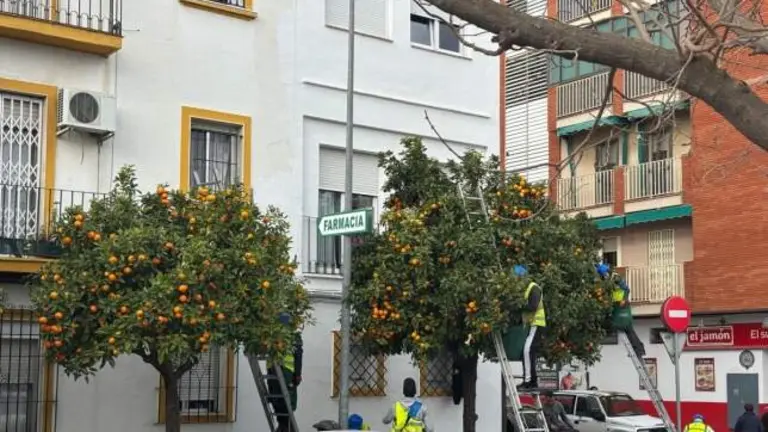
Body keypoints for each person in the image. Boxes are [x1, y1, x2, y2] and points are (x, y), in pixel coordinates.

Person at [596, 263, 645, 358]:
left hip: (622, 305)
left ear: (606, 272)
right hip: (616, 305)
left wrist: (624, 299)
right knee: (627, 328)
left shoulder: (616, 278)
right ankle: (639, 349)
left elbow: (626, 289)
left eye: (603, 275)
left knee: (627, 327)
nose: (603, 277)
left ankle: (639, 349)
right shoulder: (607, 281)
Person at [267, 312, 304, 432]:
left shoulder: (272, 335)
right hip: (286, 372)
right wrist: (298, 374)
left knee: (277, 399)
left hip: (274, 371)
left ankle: (283, 426)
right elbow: (298, 355)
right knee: (286, 401)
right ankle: (285, 426)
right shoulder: (292, 336)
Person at [515, 264, 546, 390]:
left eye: (518, 277)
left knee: (527, 351)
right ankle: (531, 380)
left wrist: (519, 305)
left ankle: (529, 381)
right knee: (528, 352)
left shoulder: (534, 288)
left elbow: (533, 306)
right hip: (532, 325)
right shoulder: (527, 289)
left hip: (536, 324)